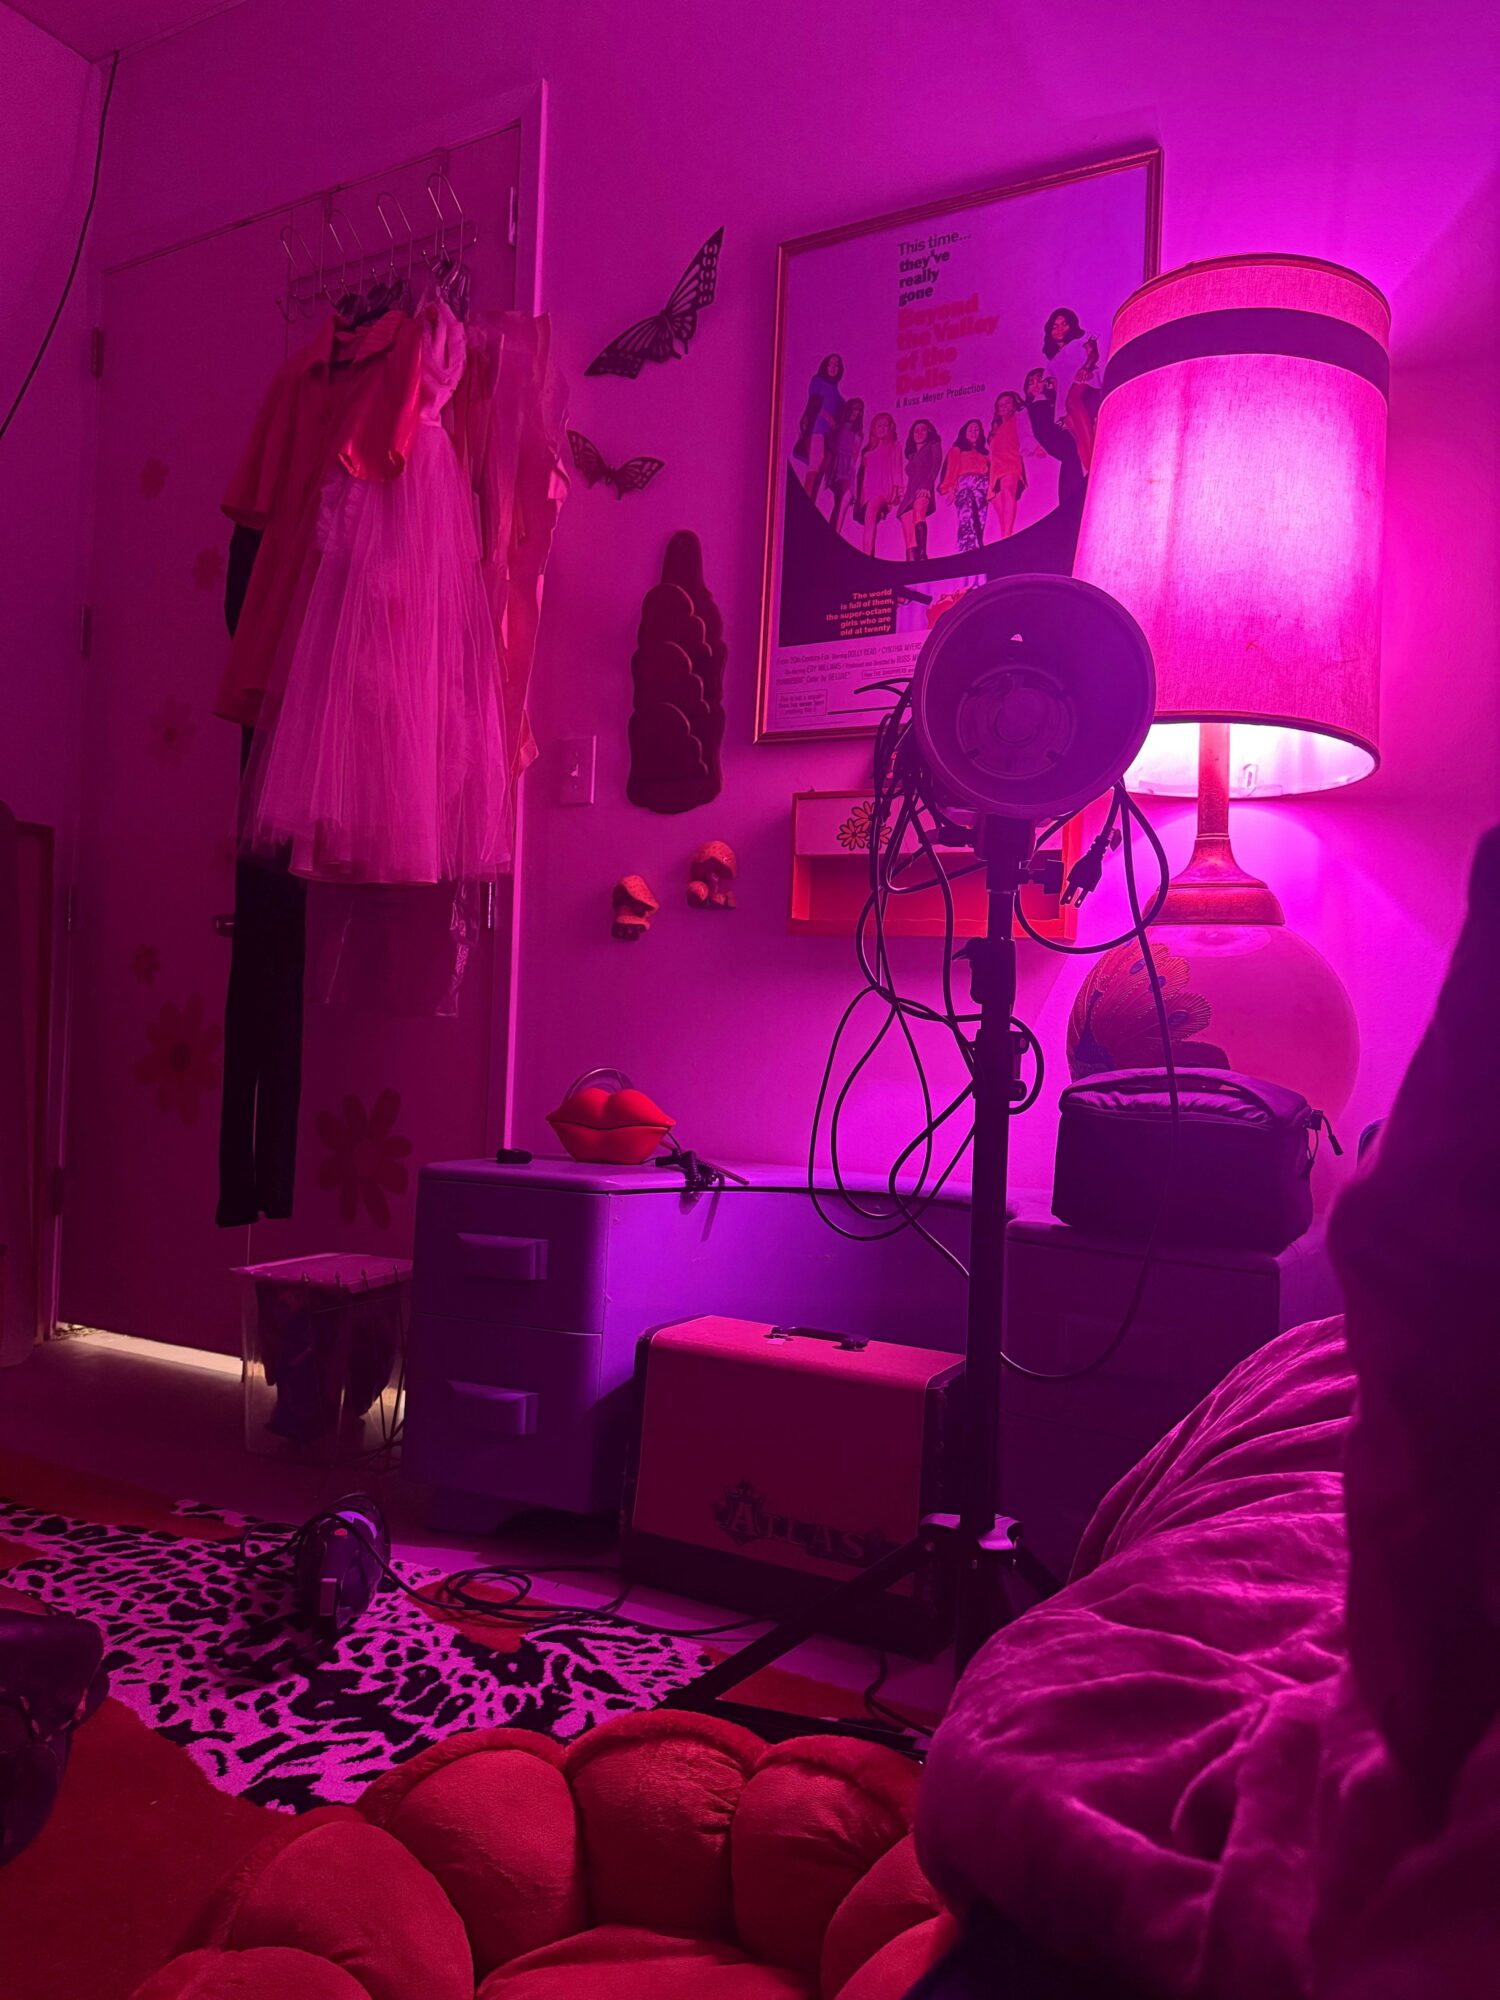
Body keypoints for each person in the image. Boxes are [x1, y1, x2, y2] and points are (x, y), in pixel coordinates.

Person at [1042, 308, 1100, 473]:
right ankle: (1091, 471)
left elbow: (1093, 354)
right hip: (1064, 395)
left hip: (1084, 378)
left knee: (1073, 401)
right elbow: (1055, 386)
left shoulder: (1082, 339)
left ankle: (1095, 463)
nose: (1060, 329)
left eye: (1064, 324)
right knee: (1079, 439)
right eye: (1055, 326)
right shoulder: (1052, 362)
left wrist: (1086, 367)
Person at [1024, 366, 1085, 511]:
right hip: (1051, 436)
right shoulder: (1035, 404)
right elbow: (1039, 428)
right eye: (1031, 383)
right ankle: (1072, 501)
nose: (1036, 385)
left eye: (1039, 381)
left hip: (1056, 435)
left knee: (1071, 460)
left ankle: (1070, 502)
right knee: (1072, 458)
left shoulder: (1052, 399)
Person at [796, 353, 846, 500]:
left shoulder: (835, 391)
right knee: (815, 465)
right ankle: (805, 502)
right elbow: (813, 403)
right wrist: (828, 418)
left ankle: (811, 501)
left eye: (837, 365)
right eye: (831, 364)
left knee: (822, 467)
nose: (833, 367)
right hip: (817, 428)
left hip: (828, 434)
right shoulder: (818, 381)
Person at [939, 418, 990, 553]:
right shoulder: (957, 450)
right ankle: (966, 549)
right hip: (964, 485)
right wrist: (951, 488)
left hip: (982, 487)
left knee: (980, 519)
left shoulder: (984, 454)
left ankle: (977, 550)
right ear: (964, 433)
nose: (974, 432)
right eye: (970, 430)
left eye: (976, 430)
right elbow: (951, 470)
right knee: (966, 516)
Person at [856, 411, 904, 555]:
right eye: (879, 426)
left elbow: (897, 468)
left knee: (870, 515)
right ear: (874, 429)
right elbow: (862, 475)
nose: (882, 429)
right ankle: (869, 554)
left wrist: (897, 490)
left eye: (885, 426)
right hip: (868, 490)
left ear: (890, 428)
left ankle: (866, 555)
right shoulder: (867, 452)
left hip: (883, 488)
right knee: (870, 521)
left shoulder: (895, 446)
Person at [897, 418, 943, 562]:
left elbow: (936, 465)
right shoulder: (912, 456)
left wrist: (927, 486)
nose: (919, 433)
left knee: (919, 515)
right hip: (908, 496)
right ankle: (912, 566)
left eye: (923, 430)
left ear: (929, 431)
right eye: (916, 431)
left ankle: (923, 556)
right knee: (909, 540)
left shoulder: (933, 445)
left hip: (923, 488)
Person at [986, 390, 1029, 540]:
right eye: (1001, 405)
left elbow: (1026, 435)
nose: (1004, 406)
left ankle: (1007, 536)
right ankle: (1006, 538)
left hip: (1011, 464)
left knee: (1008, 492)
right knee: (1001, 511)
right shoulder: (995, 430)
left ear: (1014, 404)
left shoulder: (1018, 418)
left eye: (1008, 403)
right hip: (995, 472)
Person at [822, 396, 865, 532]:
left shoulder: (858, 433)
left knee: (842, 501)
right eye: (853, 409)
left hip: (848, 468)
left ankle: (834, 532)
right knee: (840, 499)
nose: (855, 412)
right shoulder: (838, 427)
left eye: (858, 410)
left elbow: (855, 456)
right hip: (837, 466)